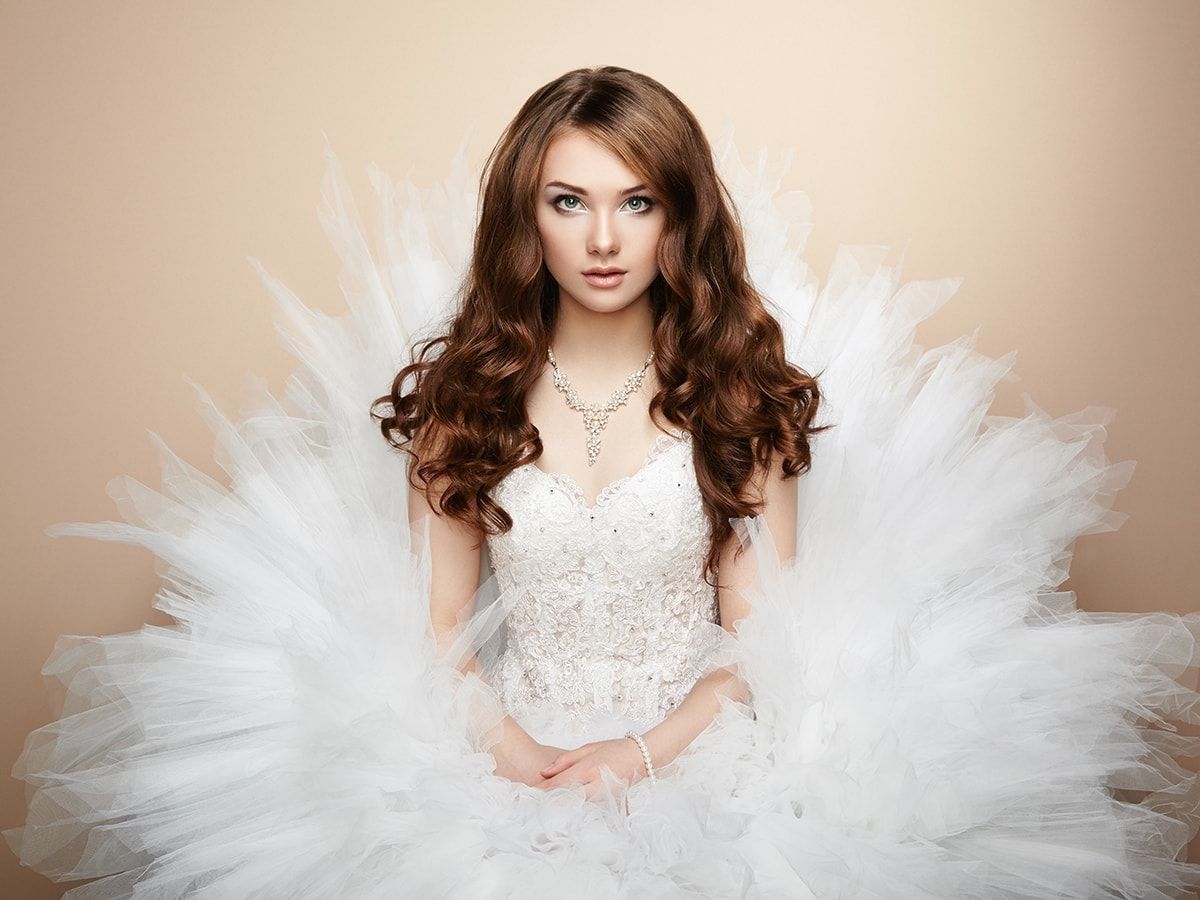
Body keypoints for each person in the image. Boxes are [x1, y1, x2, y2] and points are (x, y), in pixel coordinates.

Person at [6, 65, 1200, 898]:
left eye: (638, 202)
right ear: (527, 220)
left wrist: (647, 749)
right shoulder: (464, 408)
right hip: (508, 753)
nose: (604, 240)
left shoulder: (741, 404)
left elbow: (762, 644)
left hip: (695, 753)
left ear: (682, 220)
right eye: (569, 202)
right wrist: (510, 746)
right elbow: (436, 636)